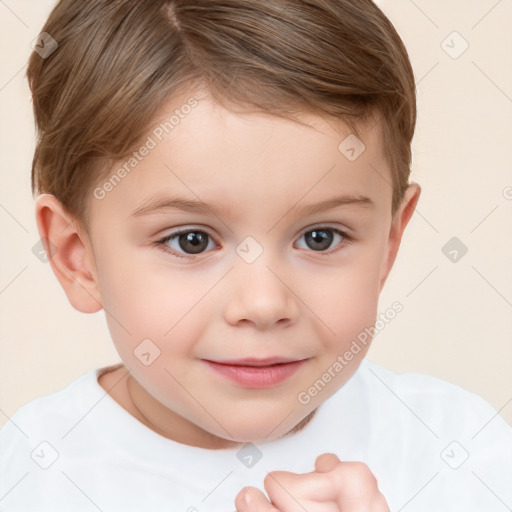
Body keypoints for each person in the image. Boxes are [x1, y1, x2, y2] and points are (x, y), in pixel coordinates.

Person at [1, 0, 511, 510]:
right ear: (77, 257)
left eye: (321, 237)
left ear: (388, 244)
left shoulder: (465, 453)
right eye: (191, 241)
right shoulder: (26, 479)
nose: (265, 304)